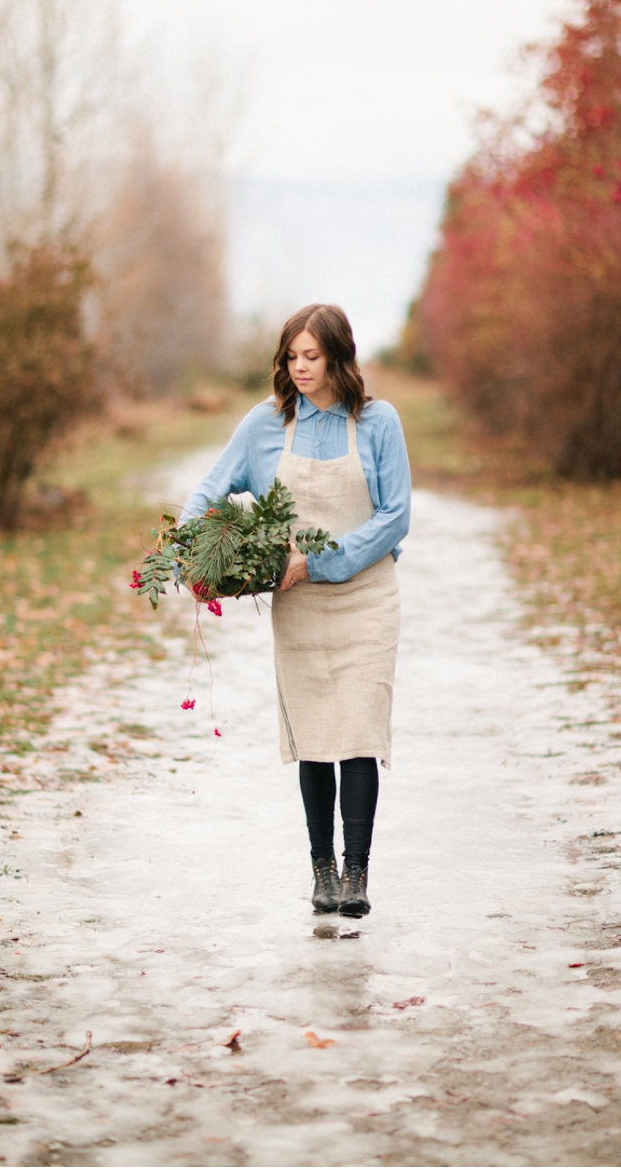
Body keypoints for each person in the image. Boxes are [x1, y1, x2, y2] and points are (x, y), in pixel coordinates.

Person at [182, 304, 411, 917]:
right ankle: (323, 871)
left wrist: (322, 561)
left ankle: (357, 875)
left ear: (339, 355)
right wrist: (185, 544)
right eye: (292, 357)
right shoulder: (264, 424)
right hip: (299, 605)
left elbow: (396, 517)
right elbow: (211, 487)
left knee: (359, 731)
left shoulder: (379, 422)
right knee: (313, 737)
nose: (300, 367)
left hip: (367, 597)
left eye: (312, 355)